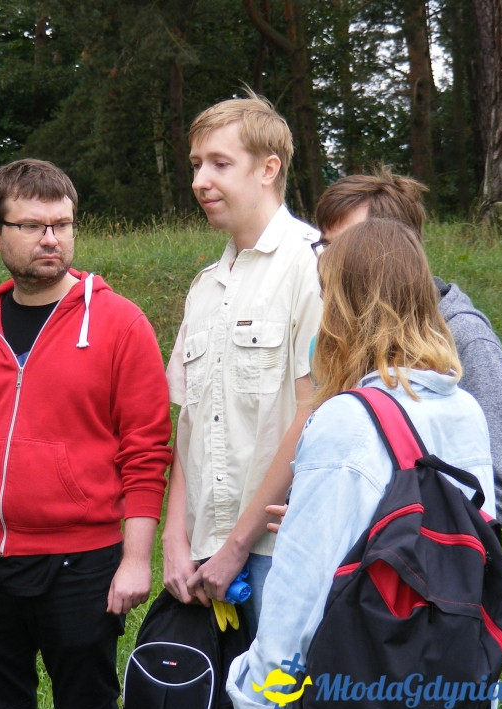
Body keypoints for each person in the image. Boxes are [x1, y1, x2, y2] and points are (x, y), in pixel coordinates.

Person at [0, 158, 172, 709]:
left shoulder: (120, 324)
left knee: (88, 708)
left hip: (82, 563)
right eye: (33, 226)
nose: (51, 239)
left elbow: (147, 450)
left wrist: (137, 560)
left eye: (62, 224)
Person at [225, 217, 496, 709]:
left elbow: (298, 598)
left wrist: (256, 700)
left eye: (327, 294)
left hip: (355, 684)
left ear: (344, 307)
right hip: (449, 681)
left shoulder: (345, 420)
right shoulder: (464, 411)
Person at [162, 91, 323, 634]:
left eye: (219, 164)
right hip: (205, 560)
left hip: (283, 550)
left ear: (268, 169)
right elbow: (189, 424)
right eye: (196, 165)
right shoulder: (205, 288)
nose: (199, 181)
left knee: (286, 706)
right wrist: (175, 539)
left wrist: (237, 547)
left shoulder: (315, 266)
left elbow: (313, 414)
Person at [312, 167, 502, 527]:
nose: (328, 263)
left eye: (348, 246)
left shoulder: (465, 338)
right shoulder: (343, 333)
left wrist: (371, 523)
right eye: (326, 246)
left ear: (399, 248)